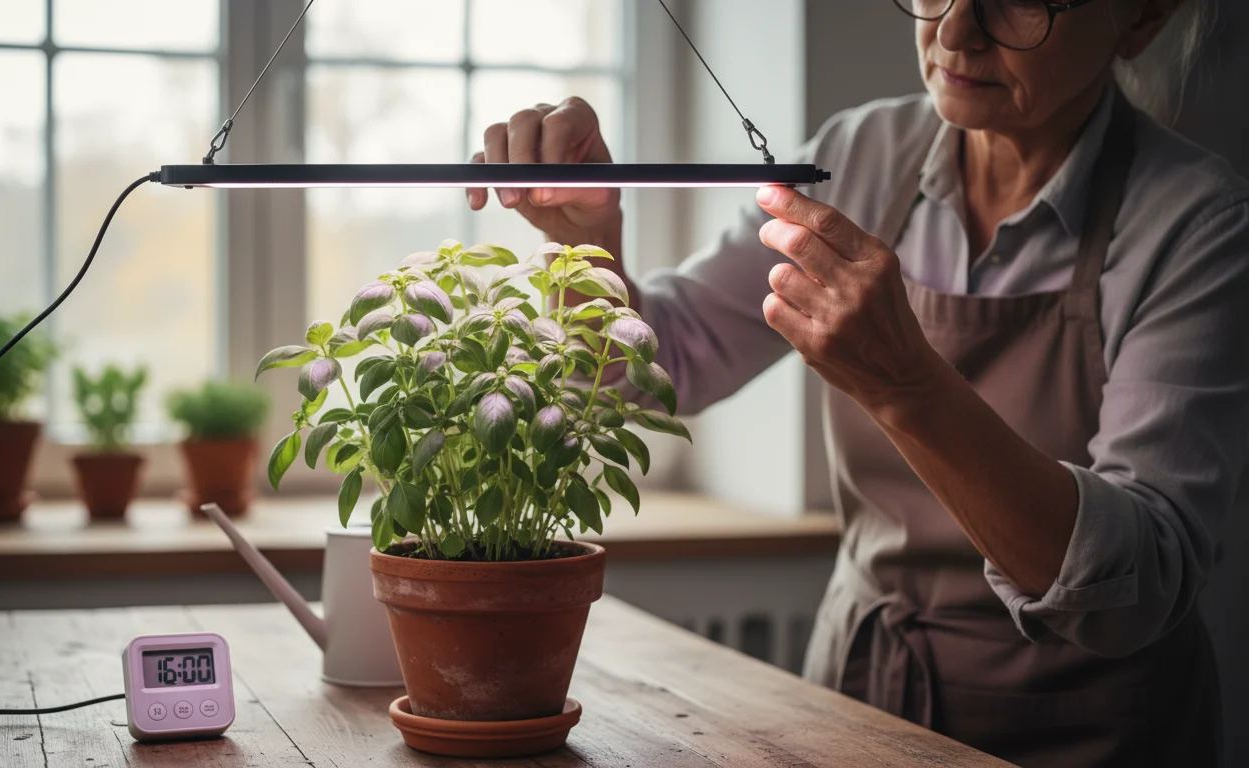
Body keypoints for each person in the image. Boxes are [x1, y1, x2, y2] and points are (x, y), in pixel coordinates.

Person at [467, 0, 1249, 765]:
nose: (954, 30)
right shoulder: (866, 150)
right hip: (859, 705)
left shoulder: (1198, 224)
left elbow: (1135, 583)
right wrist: (588, 246)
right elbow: (660, 363)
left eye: (1017, 3)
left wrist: (906, 385)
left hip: (1092, 733)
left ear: (1143, 17)